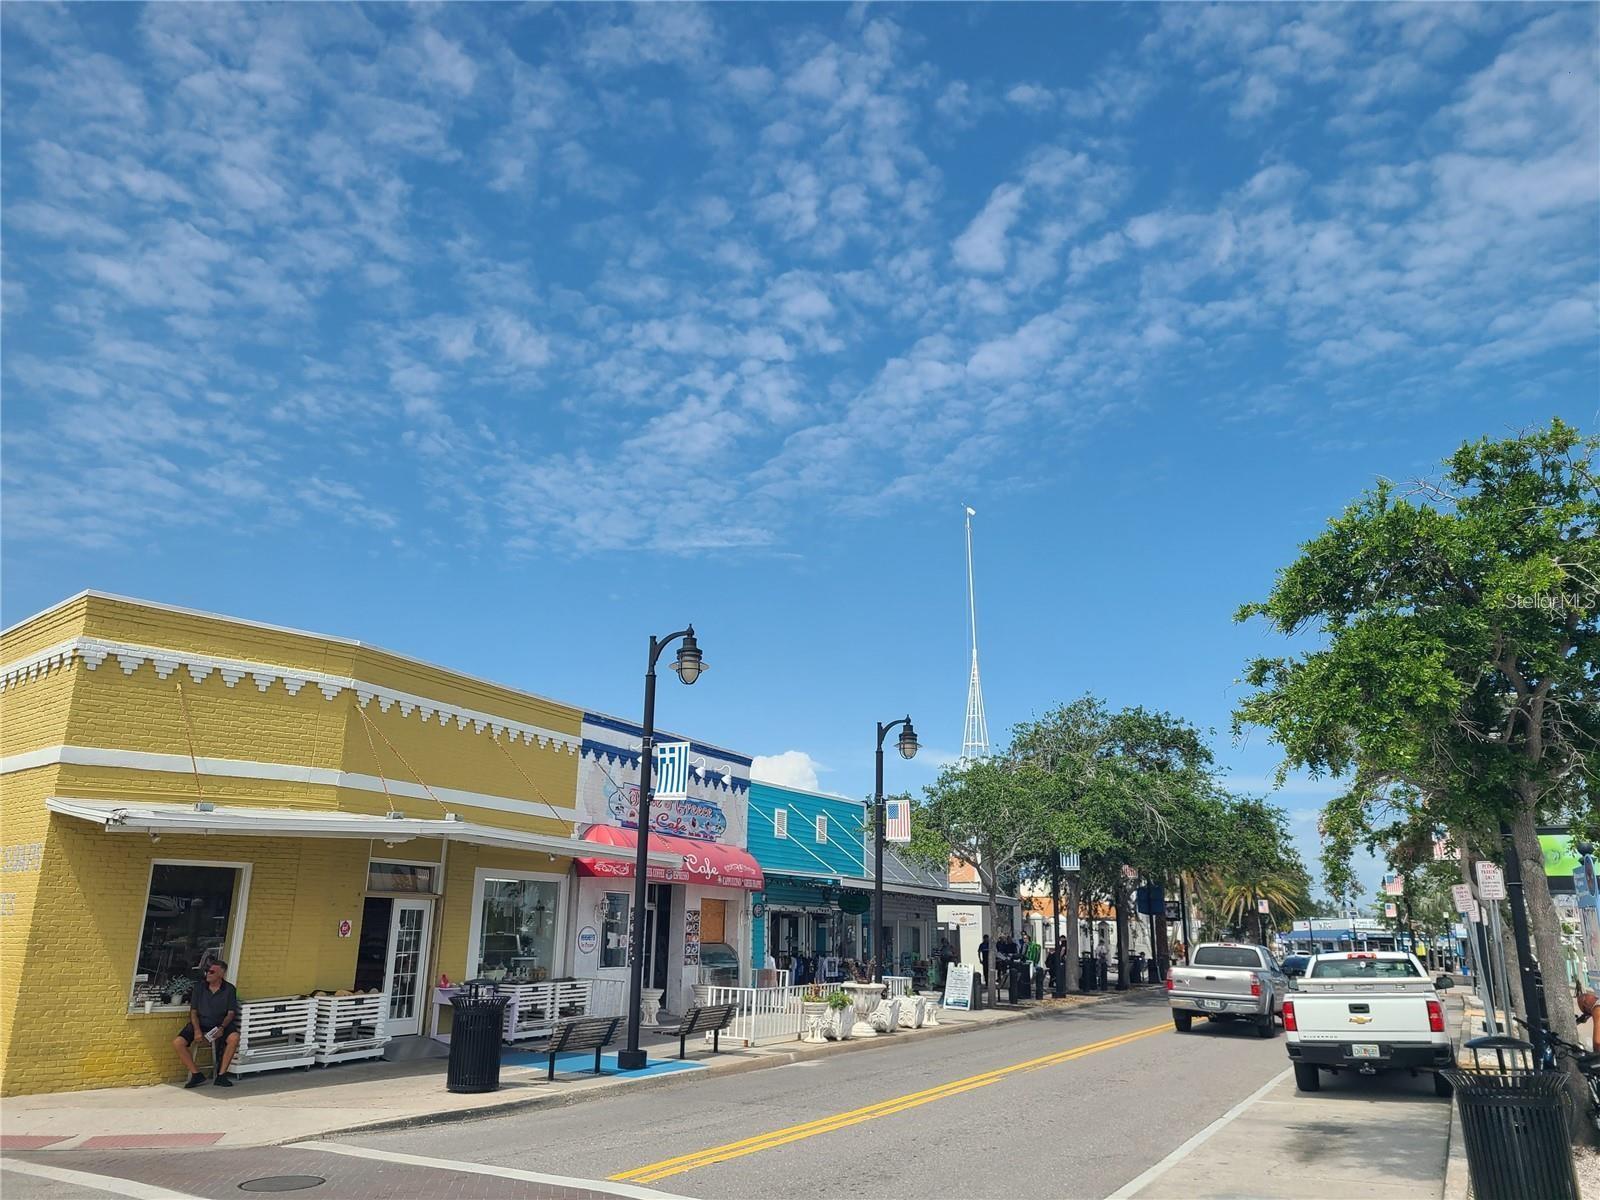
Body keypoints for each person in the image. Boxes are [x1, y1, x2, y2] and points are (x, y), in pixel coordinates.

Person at [174, 959, 241, 1087]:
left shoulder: (229, 989)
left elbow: (231, 1013)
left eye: (212, 972)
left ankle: (222, 1075)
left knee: (234, 1038)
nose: (208, 974)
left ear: (221, 974)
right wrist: (197, 1030)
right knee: (178, 1042)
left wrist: (222, 1027)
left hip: (220, 1022)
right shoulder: (199, 987)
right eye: (207, 971)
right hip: (201, 1022)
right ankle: (196, 1074)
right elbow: (193, 1011)